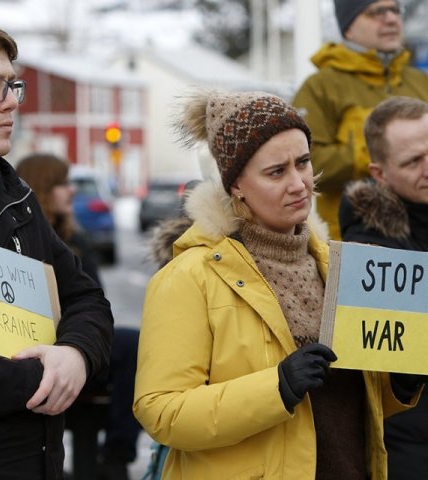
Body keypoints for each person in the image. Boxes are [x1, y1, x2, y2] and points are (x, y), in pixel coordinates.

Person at [133, 89, 422, 480]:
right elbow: (161, 411)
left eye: (302, 163)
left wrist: (401, 383)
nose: (299, 183)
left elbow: (351, 402)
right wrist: (277, 387)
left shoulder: (338, 264)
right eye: (276, 172)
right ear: (236, 184)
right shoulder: (188, 276)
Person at [0, 17, 113, 480]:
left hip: (39, 462)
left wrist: (75, 356)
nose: (11, 103)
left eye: (13, 86)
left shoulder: (15, 195)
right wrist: (44, 379)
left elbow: (85, 298)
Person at [16, 153, 141, 480]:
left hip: (81, 346)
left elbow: (95, 303)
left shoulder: (77, 240)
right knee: (131, 344)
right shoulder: (20, 240)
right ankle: (116, 454)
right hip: (34, 346)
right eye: (61, 184)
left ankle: (118, 451)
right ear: (42, 188)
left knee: (136, 344)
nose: (71, 190)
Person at [339, 96, 428, 479]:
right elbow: (394, 373)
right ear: (380, 173)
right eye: (413, 161)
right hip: (410, 451)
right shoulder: (368, 247)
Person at [292, 0, 428, 240]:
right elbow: (304, 163)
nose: (391, 19)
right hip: (351, 241)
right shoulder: (320, 87)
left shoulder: (420, 81)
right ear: (348, 28)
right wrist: (382, 152)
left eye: (395, 9)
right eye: (376, 11)